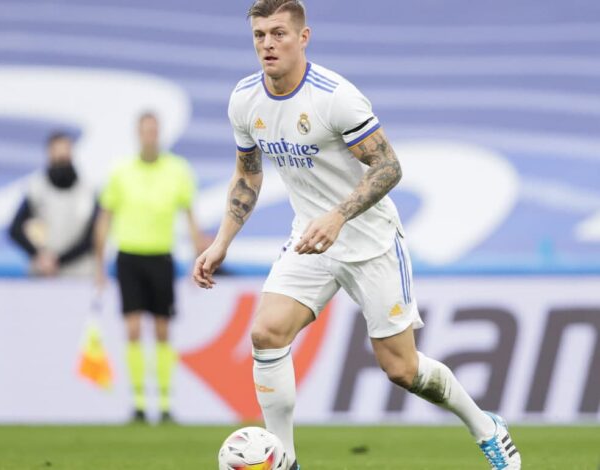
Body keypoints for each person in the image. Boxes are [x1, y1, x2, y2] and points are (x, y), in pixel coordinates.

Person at [192, 1, 521, 469]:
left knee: (402, 369)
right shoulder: (245, 99)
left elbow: (389, 167)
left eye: (279, 33)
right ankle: (284, 460)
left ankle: (486, 427)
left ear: (303, 37)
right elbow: (247, 174)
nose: (268, 44)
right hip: (309, 240)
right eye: (260, 35)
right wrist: (222, 241)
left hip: (370, 242)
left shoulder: (335, 97)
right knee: (266, 333)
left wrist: (339, 216)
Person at [95, 112, 206, 423]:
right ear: (138, 134)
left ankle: (166, 402)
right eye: (145, 131)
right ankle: (139, 402)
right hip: (129, 255)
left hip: (161, 256)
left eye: (154, 131)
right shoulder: (121, 171)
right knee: (132, 328)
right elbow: (104, 218)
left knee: (162, 329)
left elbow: (190, 216)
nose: (150, 136)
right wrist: (99, 264)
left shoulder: (178, 170)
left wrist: (199, 256)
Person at [9, 131, 97, 277]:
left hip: (80, 274)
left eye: (65, 150)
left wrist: (59, 260)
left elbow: (93, 236)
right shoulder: (36, 188)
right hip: (44, 273)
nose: (62, 155)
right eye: (57, 151)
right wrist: (39, 256)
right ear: (49, 153)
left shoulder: (88, 190)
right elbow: (15, 229)